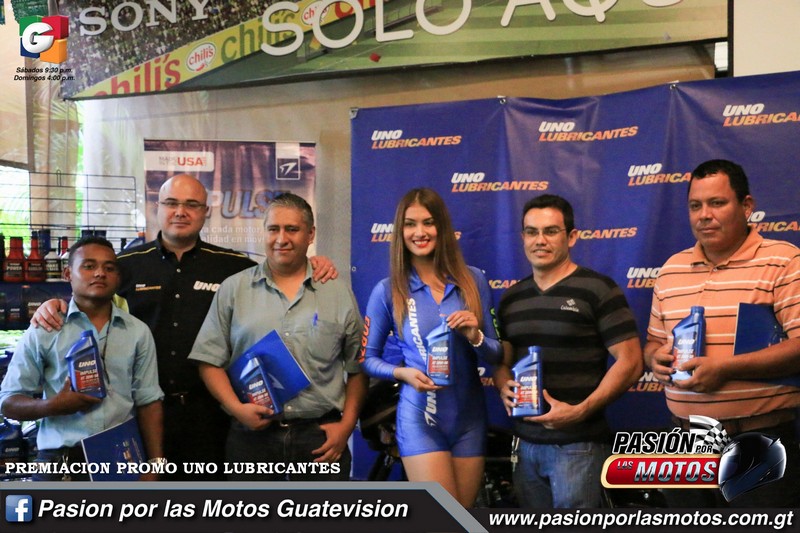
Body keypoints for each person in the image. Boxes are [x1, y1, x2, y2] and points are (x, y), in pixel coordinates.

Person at [30, 174, 337, 480]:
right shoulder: (125, 265)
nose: (180, 212)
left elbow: (283, 272)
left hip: (210, 416)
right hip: (137, 414)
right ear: (157, 208)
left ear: (205, 211)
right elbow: (89, 296)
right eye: (171, 203)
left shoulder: (234, 267)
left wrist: (315, 264)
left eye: (191, 204)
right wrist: (54, 304)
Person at [644, 159, 800, 507]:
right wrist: (655, 359)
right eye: (695, 206)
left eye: (717, 203)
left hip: (757, 440)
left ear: (746, 205)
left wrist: (725, 369)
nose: (704, 215)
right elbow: (653, 342)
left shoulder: (784, 261)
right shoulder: (670, 270)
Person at [188, 192, 367, 480]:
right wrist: (235, 408)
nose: (281, 239)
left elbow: (358, 367)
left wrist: (347, 426)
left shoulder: (337, 292)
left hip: (320, 439)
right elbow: (209, 361)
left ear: (310, 234)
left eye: (292, 229)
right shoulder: (234, 289)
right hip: (251, 439)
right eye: (273, 229)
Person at [494, 194, 643, 508]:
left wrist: (581, 410)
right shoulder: (511, 298)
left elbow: (631, 362)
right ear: (523, 237)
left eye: (551, 231)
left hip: (578, 446)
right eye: (532, 232)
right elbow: (502, 362)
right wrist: (503, 383)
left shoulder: (598, 290)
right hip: (524, 445)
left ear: (572, 237)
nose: (540, 240)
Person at [359, 188, 503, 507]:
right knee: (442, 518)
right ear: (401, 231)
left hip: (469, 418)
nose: (420, 232)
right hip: (419, 417)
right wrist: (403, 373)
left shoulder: (473, 281)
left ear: (442, 227)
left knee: (462, 517)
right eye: (410, 224)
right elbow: (367, 359)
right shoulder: (388, 290)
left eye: (428, 222)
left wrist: (476, 336)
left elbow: (497, 353)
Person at [0, 236, 164, 481]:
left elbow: (148, 401)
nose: (100, 273)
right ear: (68, 274)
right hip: (59, 465)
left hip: (121, 462)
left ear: (118, 278)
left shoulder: (138, 332)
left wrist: (156, 465)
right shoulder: (45, 328)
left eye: (109, 268)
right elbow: (8, 402)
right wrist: (55, 406)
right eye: (88, 266)